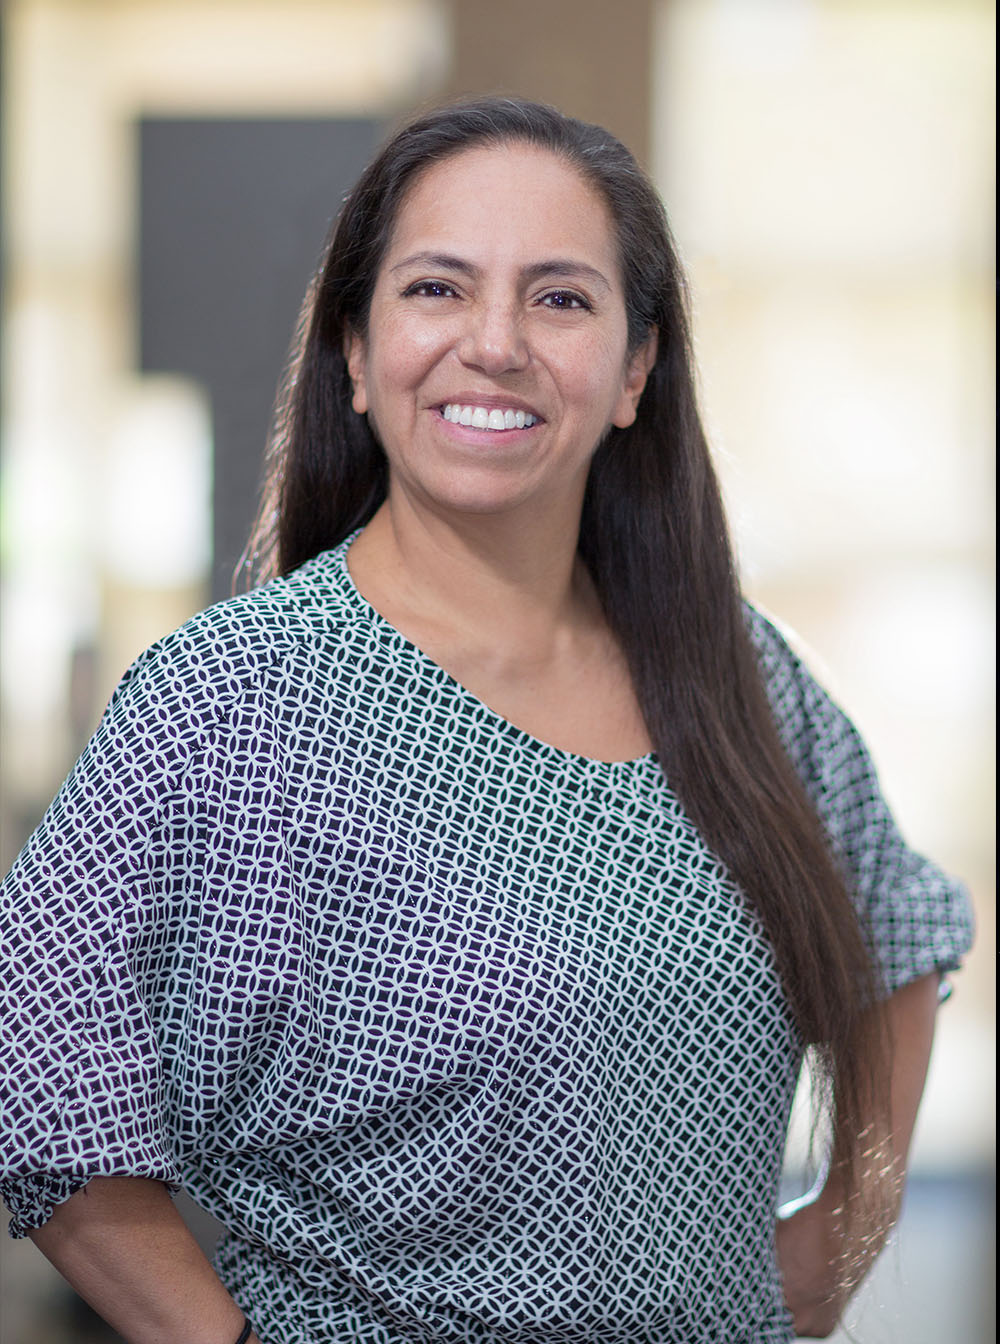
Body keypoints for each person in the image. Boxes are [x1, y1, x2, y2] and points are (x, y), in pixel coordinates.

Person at [0, 96, 974, 1344]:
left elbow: (899, 934)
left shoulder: (734, 674)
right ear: (354, 351)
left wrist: (828, 1252)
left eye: (561, 299)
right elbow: (43, 1079)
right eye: (437, 290)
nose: (496, 343)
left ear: (634, 371)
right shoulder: (232, 705)